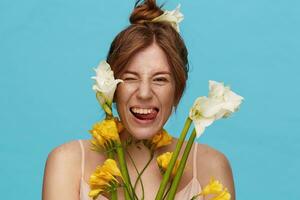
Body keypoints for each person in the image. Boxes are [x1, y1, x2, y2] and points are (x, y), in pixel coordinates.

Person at [42, 0, 235, 199]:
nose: (144, 93)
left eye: (160, 79)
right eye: (130, 78)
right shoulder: (68, 162)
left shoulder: (211, 166)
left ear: (177, 90)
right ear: (112, 89)